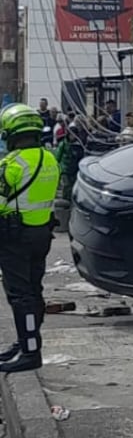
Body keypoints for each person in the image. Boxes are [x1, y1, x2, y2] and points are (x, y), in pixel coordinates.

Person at [0, 103, 58, 373]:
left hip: (15, 238)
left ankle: (30, 352)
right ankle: (26, 342)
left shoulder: (11, 165)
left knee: (20, 295)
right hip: (42, 234)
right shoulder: (49, 158)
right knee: (34, 291)